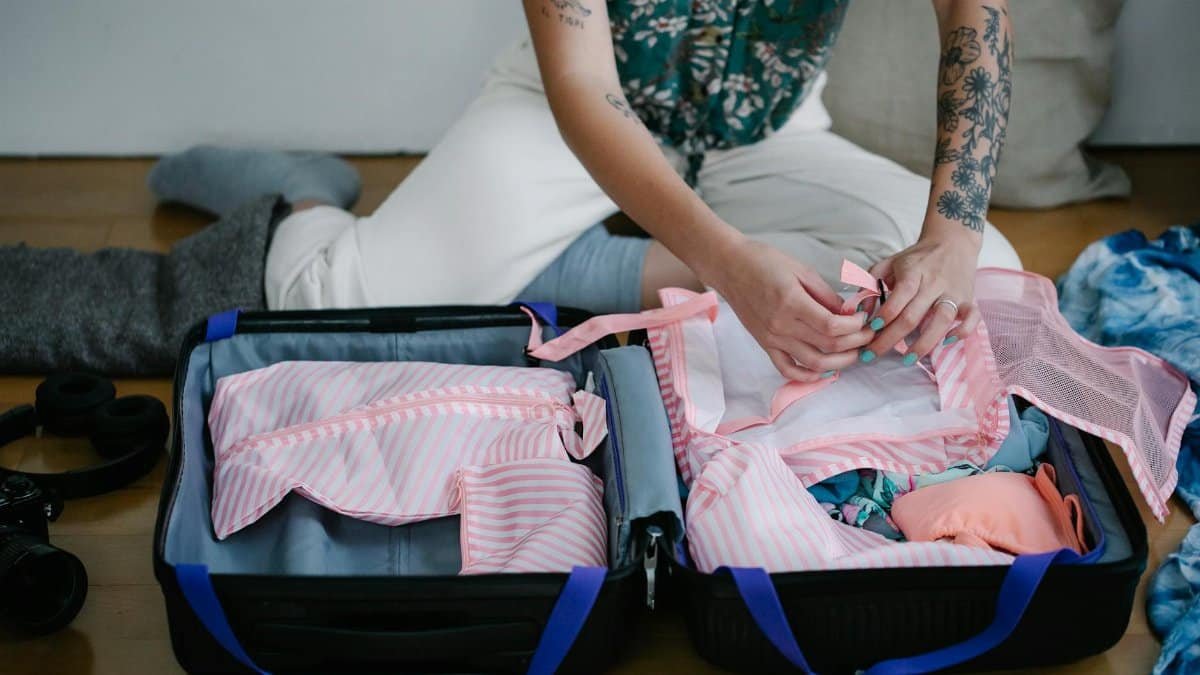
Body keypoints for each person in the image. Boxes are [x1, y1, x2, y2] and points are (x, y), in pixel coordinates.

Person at [147, 0, 1019, 382]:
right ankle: (303, 192)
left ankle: (576, 263)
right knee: (324, 304)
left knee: (985, 280)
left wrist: (952, 233)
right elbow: (579, 81)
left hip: (768, 130)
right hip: (572, 113)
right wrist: (726, 264)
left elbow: (974, 8)